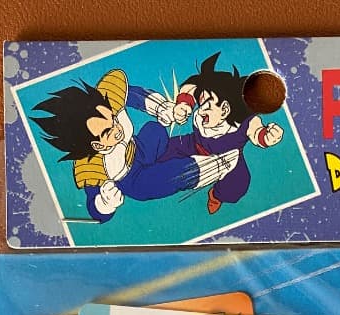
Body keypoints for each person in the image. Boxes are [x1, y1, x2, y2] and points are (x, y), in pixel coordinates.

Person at [32, 69, 237, 222]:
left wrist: (163, 109)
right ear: (96, 145)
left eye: (113, 119)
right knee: (154, 182)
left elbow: (133, 95)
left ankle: (181, 154)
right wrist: (104, 203)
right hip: (131, 179)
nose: (117, 128)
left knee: (155, 129)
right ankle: (212, 167)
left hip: (140, 148)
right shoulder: (89, 165)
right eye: (108, 132)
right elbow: (93, 206)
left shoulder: (107, 98)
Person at [163, 52, 284, 214]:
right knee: (164, 148)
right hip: (193, 144)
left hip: (227, 159)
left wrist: (268, 137)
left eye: (207, 105)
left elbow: (257, 133)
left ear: (225, 109)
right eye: (201, 103)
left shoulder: (244, 122)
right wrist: (184, 104)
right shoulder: (208, 99)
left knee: (238, 184)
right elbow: (193, 85)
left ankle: (216, 196)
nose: (201, 109)